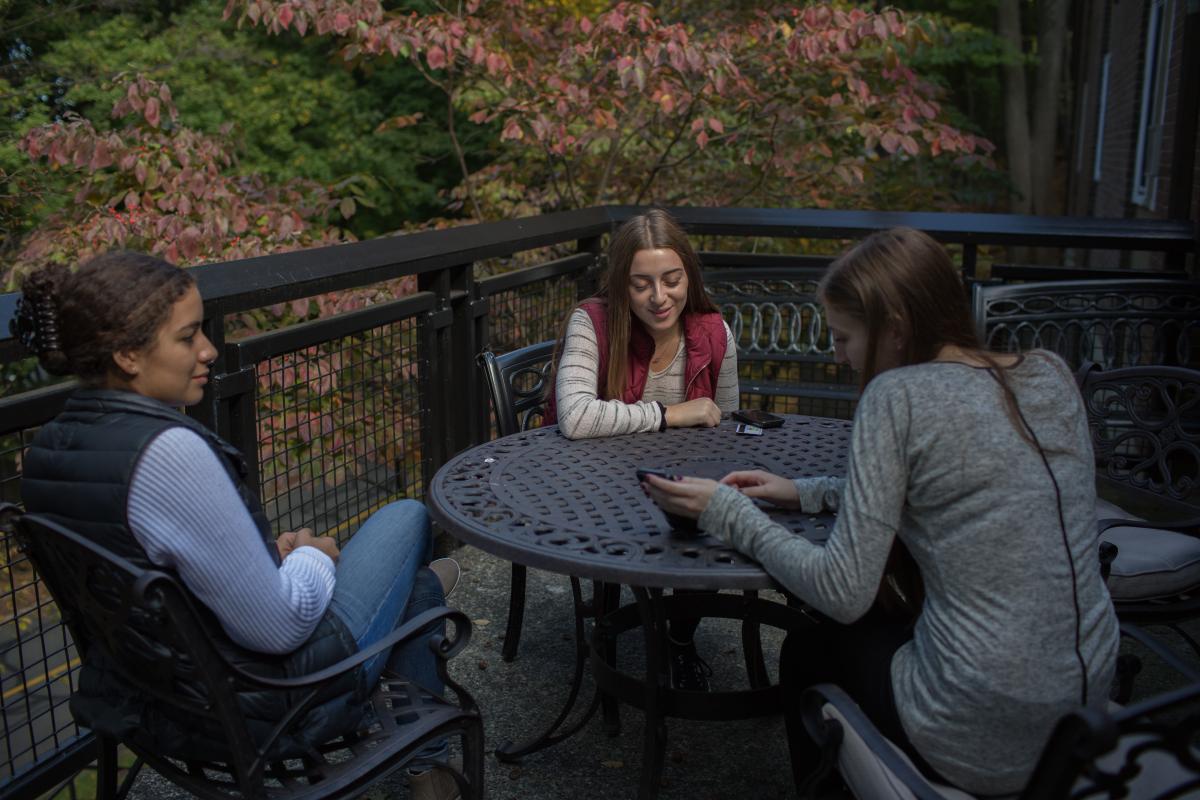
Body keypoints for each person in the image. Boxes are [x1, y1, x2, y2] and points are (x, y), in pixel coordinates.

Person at [642, 227, 1118, 795]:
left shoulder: (897, 398)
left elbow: (844, 592)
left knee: (810, 650)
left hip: (984, 735)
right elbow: (963, 479)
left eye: (845, 338)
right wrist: (807, 491)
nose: (840, 357)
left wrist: (727, 511)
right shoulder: (1047, 373)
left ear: (895, 329)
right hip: (1086, 710)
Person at [14, 253, 463, 800]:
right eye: (188, 337)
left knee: (406, 587)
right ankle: (429, 735)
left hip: (150, 697)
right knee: (407, 518)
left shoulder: (48, 450)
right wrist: (315, 555)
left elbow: (156, 574)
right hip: (270, 704)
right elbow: (278, 627)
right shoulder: (168, 452)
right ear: (128, 354)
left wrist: (269, 561)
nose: (209, 349)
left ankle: (418, 622)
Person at [544, 209, 740, 691]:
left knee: (711, 519)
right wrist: (671, 413)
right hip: (595, 487)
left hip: (681, 483)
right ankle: (632, 633)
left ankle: (679, 636)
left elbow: (728, 422)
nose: (659, 298)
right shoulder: (592, 322)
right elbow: (576, 417)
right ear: (619, 285)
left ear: (688, 277)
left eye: (672, 280)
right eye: (641, 285)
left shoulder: (715, 332)